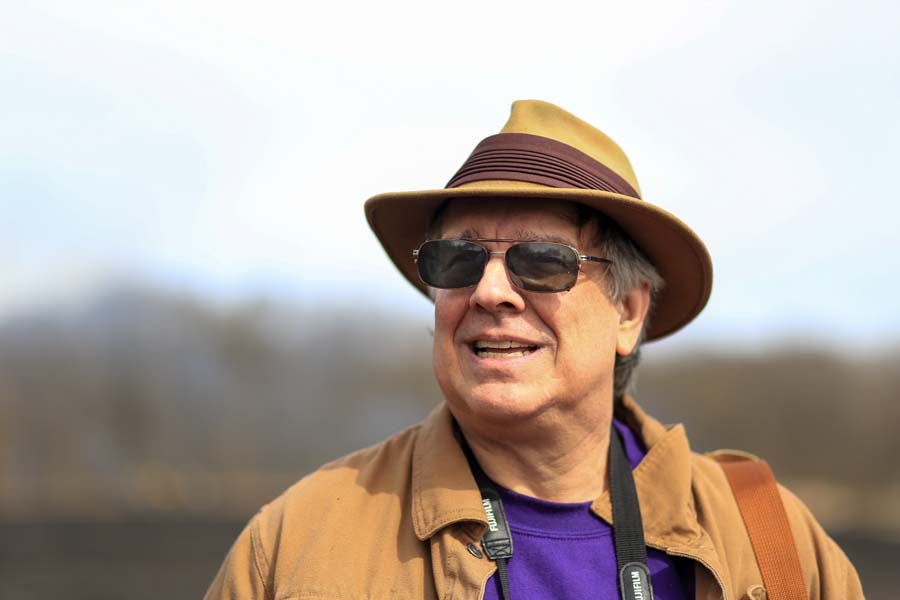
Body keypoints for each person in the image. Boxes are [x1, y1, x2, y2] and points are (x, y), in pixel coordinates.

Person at [205, 100, 863, 599]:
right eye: (458, 260)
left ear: (629, 312)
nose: (491, 290)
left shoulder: (770, 539)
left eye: (541, 262)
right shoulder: (296, 548)